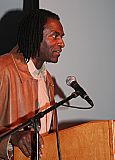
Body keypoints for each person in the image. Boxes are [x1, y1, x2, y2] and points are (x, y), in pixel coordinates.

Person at [0, 9, 65, 159]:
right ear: (35, 36)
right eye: (55, 36)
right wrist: (14, 138)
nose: (62, 43)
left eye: (61, 37)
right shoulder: (4, 68)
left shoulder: (47, 79)